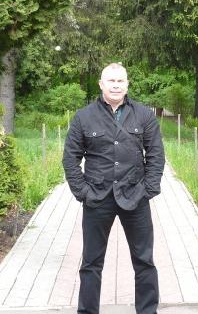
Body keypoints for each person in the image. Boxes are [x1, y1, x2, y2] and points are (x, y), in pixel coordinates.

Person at [62, 63, 165, 314]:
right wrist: (83, 192)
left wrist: (148, 190)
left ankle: (148, 311)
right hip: (97, 198)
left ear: (127, 84)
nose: (116, 85)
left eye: (120, 81)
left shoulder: (144, 115)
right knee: (91, 263)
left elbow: (156, 155)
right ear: (101, 84)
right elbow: (70, 158)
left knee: (144, 261)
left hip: (136, 196)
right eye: (111, 81)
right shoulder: (84, 117)